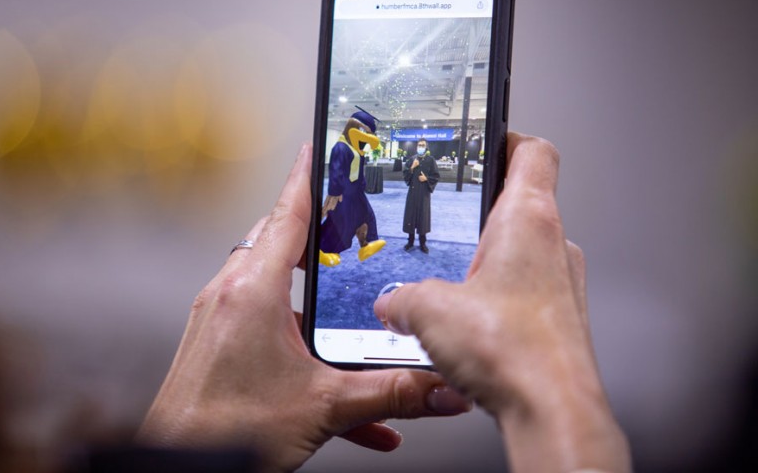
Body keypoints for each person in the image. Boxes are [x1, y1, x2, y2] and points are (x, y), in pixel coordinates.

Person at [135, 133, 631, 473]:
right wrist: (564, 410)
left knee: (419, 222)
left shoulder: (428, 162)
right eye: (414, 147)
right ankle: (407, 239)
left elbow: (430, 177)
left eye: (418, 147)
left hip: (423, 196)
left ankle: (414, 241)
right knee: (399, 224)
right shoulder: (366, 157)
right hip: (404, 198)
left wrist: (172, 452)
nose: (416, 150)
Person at [318, 109, 386, 267]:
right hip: (343, 193)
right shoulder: (341, 147)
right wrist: (335, 192)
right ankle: (324, 250)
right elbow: (336, 170)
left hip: (356, 191)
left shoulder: (356, 149)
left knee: (367, 215)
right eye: (366, 132)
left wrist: (362, 185)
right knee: (340, 223)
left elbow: (358, 170)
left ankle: (368, 244)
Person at [402, 139, 440, 253]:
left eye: (423, 145)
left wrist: (426, 179)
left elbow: (436, 176)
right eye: (419, 145)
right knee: (411, 216)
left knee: (423, 217)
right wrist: (412, 167)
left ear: (426, 147)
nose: (421, 147)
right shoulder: (411, 159)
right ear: (416, 146)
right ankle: (410, 241)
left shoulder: (430, 160)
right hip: (412, 193)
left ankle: (423, 243)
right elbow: (405, 175)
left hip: (424, 194)